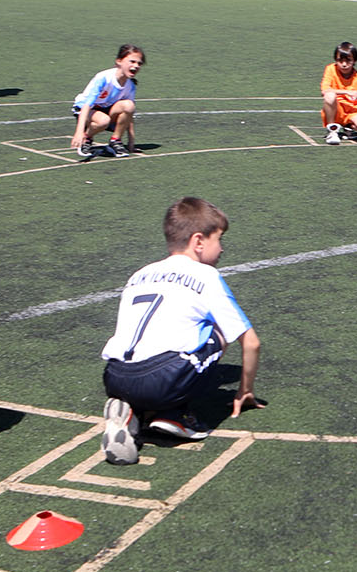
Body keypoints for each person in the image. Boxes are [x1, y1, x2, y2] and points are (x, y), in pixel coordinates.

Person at [100, 196, 263, 465]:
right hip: (161, 381)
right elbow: (251, 342)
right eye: (219, 239)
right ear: (198, 241)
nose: (222, 249)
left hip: (115, 377)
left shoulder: (139, 274)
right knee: (218, 329)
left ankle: (132, 412)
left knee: (170, 343)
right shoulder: (206, 275)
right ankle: (175, 414)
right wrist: (245, 390)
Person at [71, 44, 145, 159]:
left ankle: (115, 141)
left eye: (139, 63)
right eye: (132, 61)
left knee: (129, 105)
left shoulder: (130, 85)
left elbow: (129, 115)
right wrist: (79, 132)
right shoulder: (104, 78)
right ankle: (87, 138)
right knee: (103, 121)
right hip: (85, 110)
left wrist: (131, 142)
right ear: (119, 61)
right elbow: (86, 105)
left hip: (106, 110)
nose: (136, 66)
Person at [320, 41, 357, 144]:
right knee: (329, 96)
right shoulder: (331, 69)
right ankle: (332, 131)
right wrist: (347, 92)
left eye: (348, 61)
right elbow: (325, 90)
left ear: (354, 60)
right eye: (340, 60)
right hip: (336, 110)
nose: (344, 64)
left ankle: (348, 127)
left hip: (352, 111)